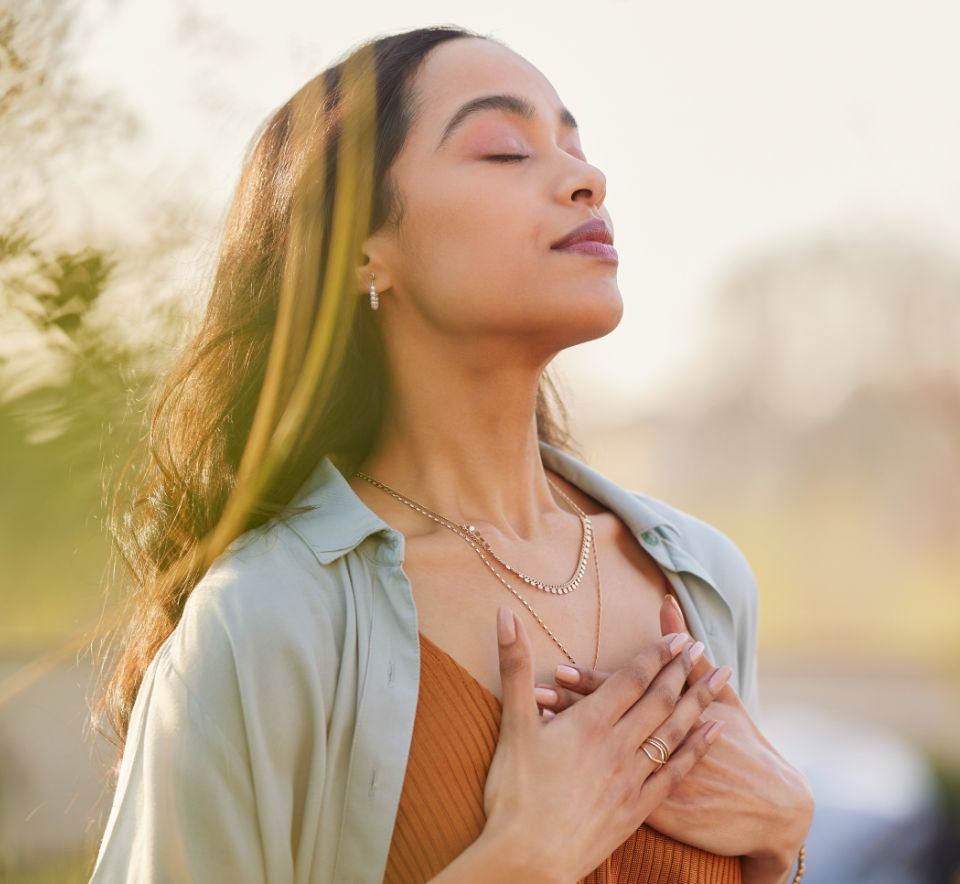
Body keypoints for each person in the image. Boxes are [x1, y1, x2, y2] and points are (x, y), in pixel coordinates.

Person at [87, 24, 814, 884]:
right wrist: (517, 862)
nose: (588, 179)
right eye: (505, 150)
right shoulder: (266, 621)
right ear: (364, 249)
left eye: (575, 146)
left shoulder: (705, 582)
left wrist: (784, 839)